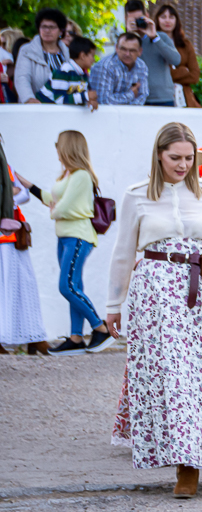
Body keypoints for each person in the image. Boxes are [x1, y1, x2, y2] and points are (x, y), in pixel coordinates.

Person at [106, 122, 202, 497]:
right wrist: (113, 304)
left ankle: (195, 460)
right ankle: (182, 463)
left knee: (200, 376)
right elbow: (124, 251)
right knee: (171, 377)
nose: (183, 165)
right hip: (155, 295)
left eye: (189, 158)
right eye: (175, 158)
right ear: (159, 155)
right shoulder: (136, 195)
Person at [13, 132, 112, 354]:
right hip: (66, 237)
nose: (57, 153)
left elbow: (63, 208)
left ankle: (100, 327)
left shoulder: (81, 176)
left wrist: (55, 210)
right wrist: (27, 184)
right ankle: (76, 338)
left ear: (68, 149)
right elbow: (53, 200)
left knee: (66, 287)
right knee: (74, 287)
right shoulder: (68, 175)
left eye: (59, 148)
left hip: (78, 236)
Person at [1, 140, 48, 352]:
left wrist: (8, 197)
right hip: (9, 230)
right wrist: (9, 195)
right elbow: (17, 193)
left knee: (21, 284)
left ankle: (32, 337)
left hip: (11, 233)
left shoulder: (6, 167)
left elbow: (23, 194)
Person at [123, 0, 182, 107]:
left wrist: (155, 38)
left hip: (163, 98)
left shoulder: (161, 37)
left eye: (140, 19)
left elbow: (176, 60)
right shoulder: (123, 43)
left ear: (147, 16)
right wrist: (130, 37)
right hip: (136, 98)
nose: (137, 23)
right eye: (133, 20)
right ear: (126, 19)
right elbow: (120, 65)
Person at [14, 8, 70, 103]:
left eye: (52, 27)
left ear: (60, 31)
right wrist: (29, 99)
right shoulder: (27, 50)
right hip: (35, 109)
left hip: (63, 108)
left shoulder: (68, 53)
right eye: (43, 27)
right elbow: (22, 78)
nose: (47, 31)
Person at [152, 3, 202, 108]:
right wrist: (183, 71)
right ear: (157, 20)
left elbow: (194, 76)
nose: (167, 21)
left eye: (171, 17)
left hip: (184, 99)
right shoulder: (152, 44)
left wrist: (171, 76)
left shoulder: (185, 44)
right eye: (163, 17)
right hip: (159, 97)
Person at [88, 32, 149, 106]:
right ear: (116, 48)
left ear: (140, 51)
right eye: (123, 49)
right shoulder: (105, 66)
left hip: (131, 114)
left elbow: (143, 95)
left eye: (132, 50)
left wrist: (129, 111)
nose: (127, 54)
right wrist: (131, 94)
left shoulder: (141, 65)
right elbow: (104, 101)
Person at [36, 37, 95, 106]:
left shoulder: (83, 75)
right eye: (92, 56)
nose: (93, 60)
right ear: (83, 56)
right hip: (43, 110)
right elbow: (59, 100)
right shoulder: (64, 71)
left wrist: (90, 101)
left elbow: (83, 96)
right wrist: (85, 96)